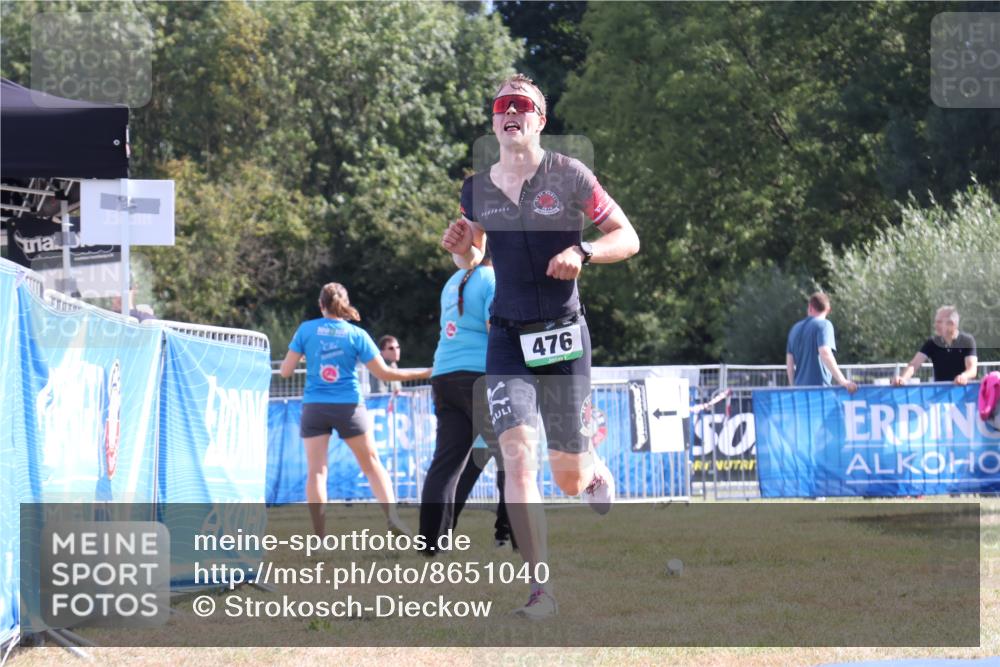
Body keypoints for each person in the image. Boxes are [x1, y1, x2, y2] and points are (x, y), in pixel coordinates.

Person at [441, 73, 640, 619]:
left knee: (568, 478)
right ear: (493, 121)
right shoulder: (475, 189)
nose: (511, 111)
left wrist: (585, 253)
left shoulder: (570, 175)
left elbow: (628, 236)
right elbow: (473, 255)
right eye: (502, 105)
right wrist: (461, 249)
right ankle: (540, 590)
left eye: (522, 105)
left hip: (563, 335)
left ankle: (591, 467)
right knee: (517, 458)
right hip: (507, 337)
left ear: (540, 120)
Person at [279, 282, 431, 537]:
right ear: (345, 304)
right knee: (372, 464)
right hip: (349, 406)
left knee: (317, 472)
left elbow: (285, 372)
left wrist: (307, 354)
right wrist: (426, 372)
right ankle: (392, 518)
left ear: (321, 304)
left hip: (315, 406)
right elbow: (385, 373)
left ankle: (320, 537)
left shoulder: (306, 330)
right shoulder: (356, 334)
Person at [785, 292, 858, 393]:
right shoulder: (824, 325)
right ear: (828, 310)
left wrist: (793, 386)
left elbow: (789, 362)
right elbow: (825, 352)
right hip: (820, 391)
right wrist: (843, 381)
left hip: (799, 392)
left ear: (810, 307)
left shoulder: (795, 329)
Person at [892, 306, 978, 386]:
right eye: (936, 322)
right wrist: (902, 378)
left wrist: (963, 376)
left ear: (952, 324)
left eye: (939, 322)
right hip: (939, 393)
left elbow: (972, 370)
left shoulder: (967, 341)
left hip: (963, 392)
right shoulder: (932, 343)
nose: (935, 325)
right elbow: (914, 364)